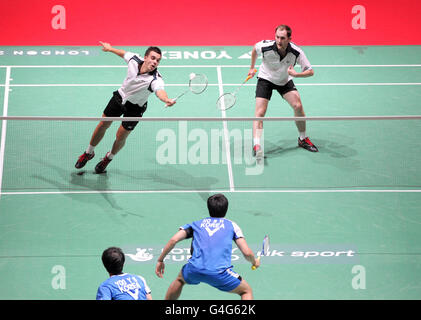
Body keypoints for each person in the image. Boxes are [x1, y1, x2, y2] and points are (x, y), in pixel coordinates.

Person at [75, 41, 176, 173]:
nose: (155, 62)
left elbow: (160, 91)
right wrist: (110, 49)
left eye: (158, 60)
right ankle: (88, 152)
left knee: (120, 136)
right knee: (103, 124)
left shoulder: (155, 79)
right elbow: (123, 53)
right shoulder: (134, 59)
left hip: (135, 109)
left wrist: (166, 99)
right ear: (145, 57)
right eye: (153, 58)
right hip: (120, 97)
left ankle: (108, 157)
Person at [155, 194, 259, 300]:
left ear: (209, 208)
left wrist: (160, 260)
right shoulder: (232, 226)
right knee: (246, 291)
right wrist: (254, 262)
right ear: (226, 209)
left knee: (180, 280)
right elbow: (247, 253)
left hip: (194, 269)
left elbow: (173, 240)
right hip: (220, 274)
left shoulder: (196, 224)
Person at [248, 25, 318, 160]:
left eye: (283, 38)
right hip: (265, 78)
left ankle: (302, 138)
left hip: (284, 80)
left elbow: (310, 71)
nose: (279, 41)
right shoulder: (265, 46)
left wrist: (296, 75)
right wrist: (252, 68)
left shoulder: (296, 52)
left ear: (289, 39)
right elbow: (254, 50)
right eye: (277, 37)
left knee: (297, 105)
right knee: (260, 112)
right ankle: (257, 145)